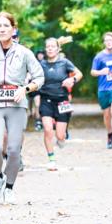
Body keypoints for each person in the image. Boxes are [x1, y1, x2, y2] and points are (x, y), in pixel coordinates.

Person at [0, 12, 43, 204]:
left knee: (13, 150)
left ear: (13, 28)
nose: (2, 29)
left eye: (6, 26)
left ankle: (10, 187)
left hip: (17, 104)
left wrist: (25, 89)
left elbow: (39, 77)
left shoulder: (24, 53)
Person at [38, 37, 83, 170]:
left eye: (53, 46)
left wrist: (72, 80)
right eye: (48, 47)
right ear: (46, 49)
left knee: (60, 136)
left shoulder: (65, 62)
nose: (50, 49)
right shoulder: (41, 64)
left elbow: (79, 73)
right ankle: (51, 159)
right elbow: (32, 76)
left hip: (62, 101)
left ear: (58, 49)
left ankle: (61, 139)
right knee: (47, 129)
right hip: (46, 100)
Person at [91, 31, 112, 149]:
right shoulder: (99, 57)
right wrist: (101, 72)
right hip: (103, 88)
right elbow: (92, 72)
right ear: (104, 43)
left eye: (111, 40)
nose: (109, 42)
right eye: (106, 41)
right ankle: (110, 134)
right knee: (106, 115)